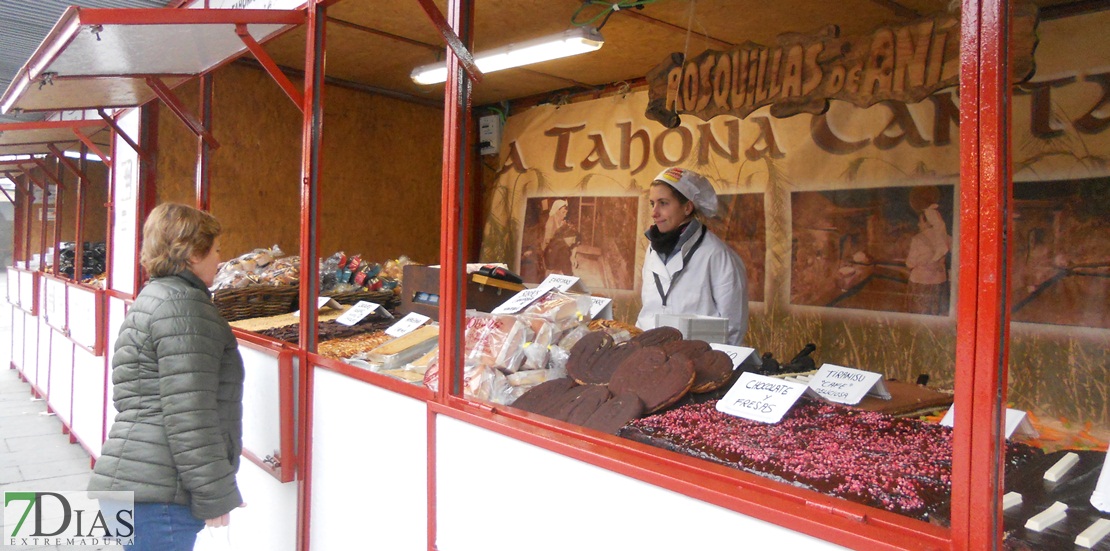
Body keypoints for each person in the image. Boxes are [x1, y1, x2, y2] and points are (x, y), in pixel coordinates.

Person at [89, 203, 245, 551]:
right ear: (192, 253)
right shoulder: (185, 308)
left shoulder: (155, 297)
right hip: (160, 498)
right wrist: (216, 493)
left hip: (134, 485)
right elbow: (191, 415)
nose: (220, 260)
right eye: (216, 250)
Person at [636, 167, 749, 345]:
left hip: (698, 361)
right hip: (650, 356)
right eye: (652, 203)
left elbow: (733, 325)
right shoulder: (652, 249)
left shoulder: (717, 254)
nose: (654, 212)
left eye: (663, 203)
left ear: (687, 207)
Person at [904, 189, 951, 315]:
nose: (919, 225)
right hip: (940, 282)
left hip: (921, 282)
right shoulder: (946, 238)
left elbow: (910, 264)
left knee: (919, 314)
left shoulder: (918, 239)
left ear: (927, 222)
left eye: (920, 221)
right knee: (935, 313)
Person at [541, 199, 580, 276]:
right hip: (550, 253)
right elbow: (548, 241)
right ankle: (568, 274)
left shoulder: (563, 222)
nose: (565, 215)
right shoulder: (551, 221)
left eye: (566, 213)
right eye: (563, 212)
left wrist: (573, 256)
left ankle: (568, 273)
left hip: (559, 251)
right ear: (556, 211)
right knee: (563, 249)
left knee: (565, 249)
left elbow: (574, 239)